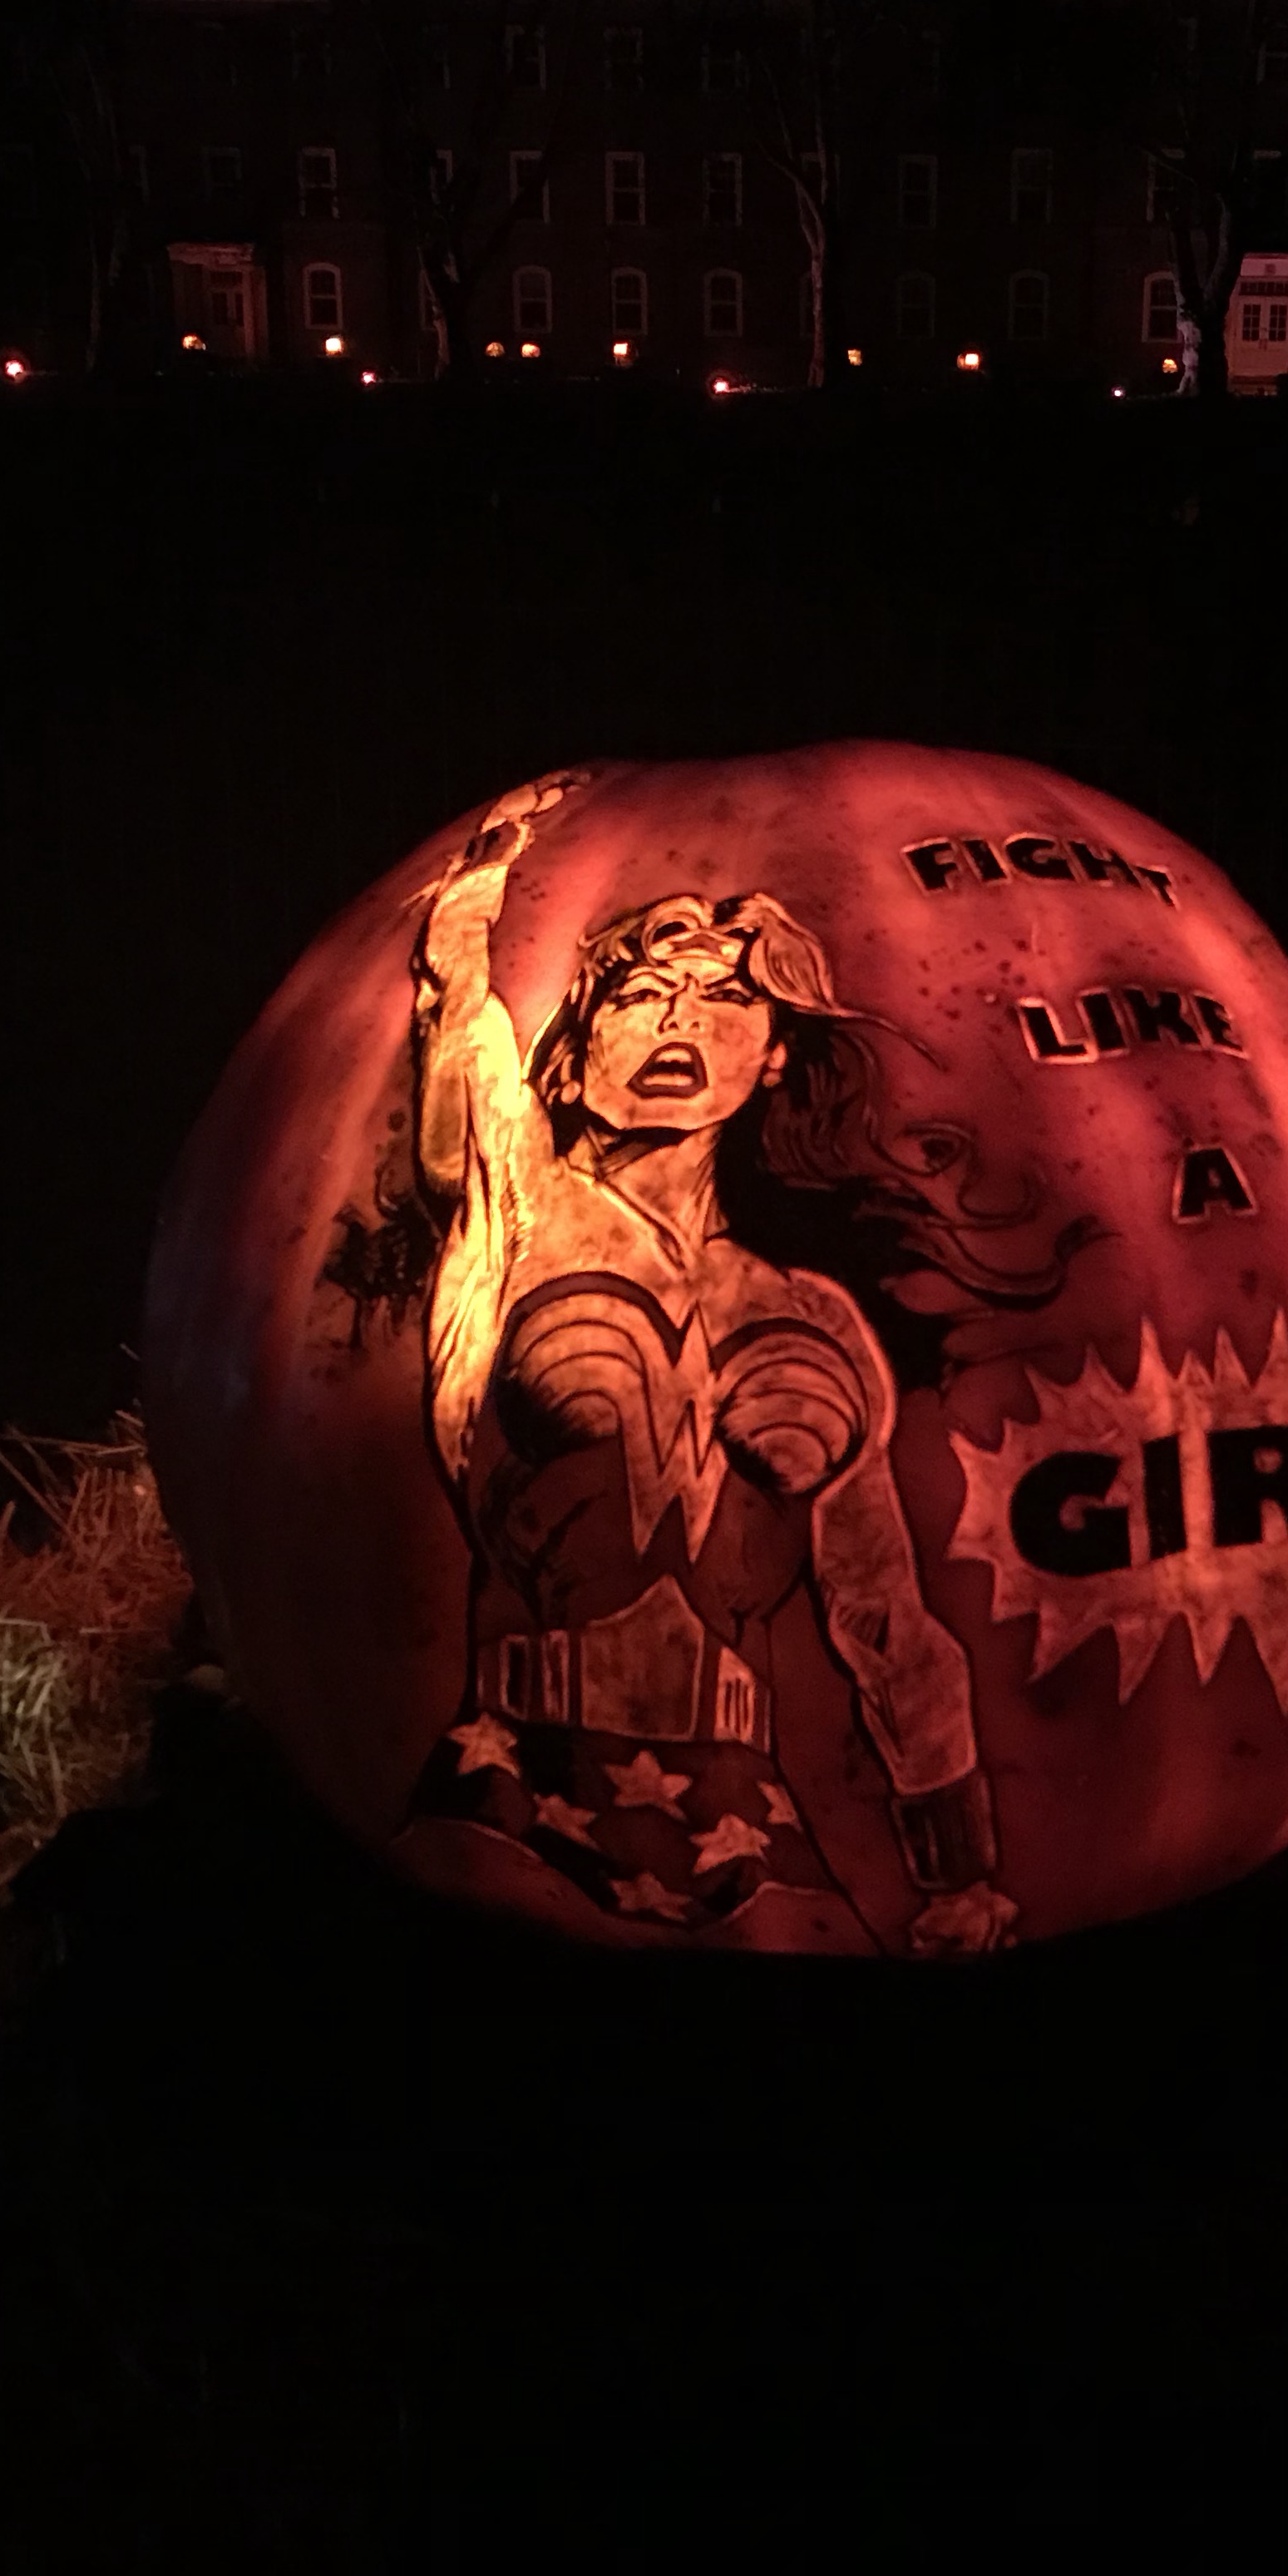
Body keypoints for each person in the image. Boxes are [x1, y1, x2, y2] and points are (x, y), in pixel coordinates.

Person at [398, 776, 1020, 1954]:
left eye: (724, 998)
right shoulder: (514, 1209)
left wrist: (958, 1875)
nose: (677, 1023)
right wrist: (479, 885)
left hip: (744, 1810)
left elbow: (885, 1618)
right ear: (568, 1064)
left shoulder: (811, 1315)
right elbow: (461, 1014)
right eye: (640, 996)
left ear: (775, 1054)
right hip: (517, 1779)